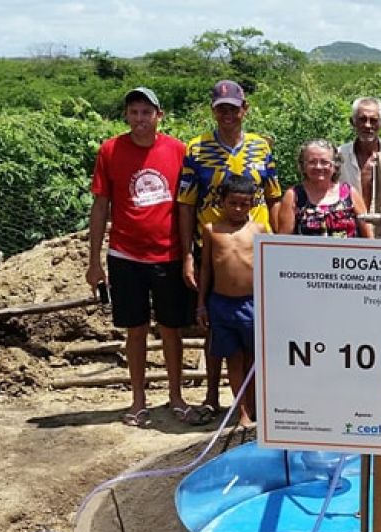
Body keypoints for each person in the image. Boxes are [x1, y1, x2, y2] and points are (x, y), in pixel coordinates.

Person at [86, 87, 205, 427]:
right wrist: (94, 260)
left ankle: (177, 396)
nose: (140, 119)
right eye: (134, 112)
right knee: (135, 330)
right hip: (125, 254)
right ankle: (138, 400)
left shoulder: (178, 151)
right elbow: (100, 206)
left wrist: (189, 254)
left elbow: (188, 204)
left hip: (167, 253)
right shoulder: (110, 151)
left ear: (159, 115)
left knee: (171, 329)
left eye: (146, 112)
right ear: (126, 115)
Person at [178, 79, 282, 414]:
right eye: (221, 109)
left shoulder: (261, 148)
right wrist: (186, 256)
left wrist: (278, 243)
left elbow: (274, 197)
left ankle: (252, 406)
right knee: (217, 330)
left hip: (256, 249)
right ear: (214, 110)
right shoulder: (196, 150)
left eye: (233, 109)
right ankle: (213, 398)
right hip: (212, 245)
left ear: (244, 110)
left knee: (253, 335)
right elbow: (185, 203)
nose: (228, 115)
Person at [196, 175, 263, 427]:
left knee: (253, 358)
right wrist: (201, 303)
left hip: (253, 304)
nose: (237, 209)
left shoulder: (259, 230)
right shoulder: (212, 230)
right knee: (233, 359)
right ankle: (242, 411)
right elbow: (206, 270)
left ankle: (255, 406)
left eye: (244, 204)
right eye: (232, 203)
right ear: (221, 202)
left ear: (252, 204)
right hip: (221, 304)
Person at [278, 139, 373, 238]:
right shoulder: (293, 196)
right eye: (312, 162)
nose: (318, 167)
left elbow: (369, 237)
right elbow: (284, 241)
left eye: (324, 162)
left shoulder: (350, 193)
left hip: (347, 253)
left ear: (335, 165)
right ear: (303, 166)